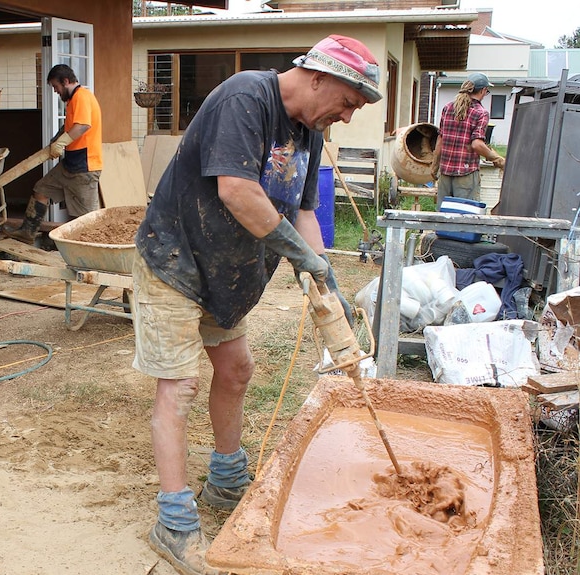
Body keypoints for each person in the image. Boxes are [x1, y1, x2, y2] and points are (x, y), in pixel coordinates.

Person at [131, 35, 381, 575]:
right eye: (349, 100)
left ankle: (225, 479)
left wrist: (322, 272)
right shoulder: (246, 97)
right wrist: (298, 255)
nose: (348, 114)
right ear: (318, 77)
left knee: (237, 370)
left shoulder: (309, 130)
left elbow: (304, 211)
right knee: (179, 385)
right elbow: (236, 190)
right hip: (176, 259)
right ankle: (173, 523)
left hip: (227, 273)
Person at [5, 64, 103, 243]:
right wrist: (56, 141)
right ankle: (28, 232)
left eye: (56, 87)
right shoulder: (73, 101)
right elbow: (70, 126)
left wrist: (62, 143)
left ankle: (91, 250)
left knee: (86, 218)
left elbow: (83, 126)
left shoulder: (82, 96)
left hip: (85, 168)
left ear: (66, 81)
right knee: (41, 189)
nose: (56, 91)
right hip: (70, 165)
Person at [430, 72, 505, 206]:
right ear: (482, 91)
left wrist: (435, 166)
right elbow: (477, 144)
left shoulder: (447, 108)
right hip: (466, 174)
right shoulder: (480, 113)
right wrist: (497, 158)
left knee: (443, 217)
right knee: (464, 216)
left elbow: (440, 140)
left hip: (445, 174)